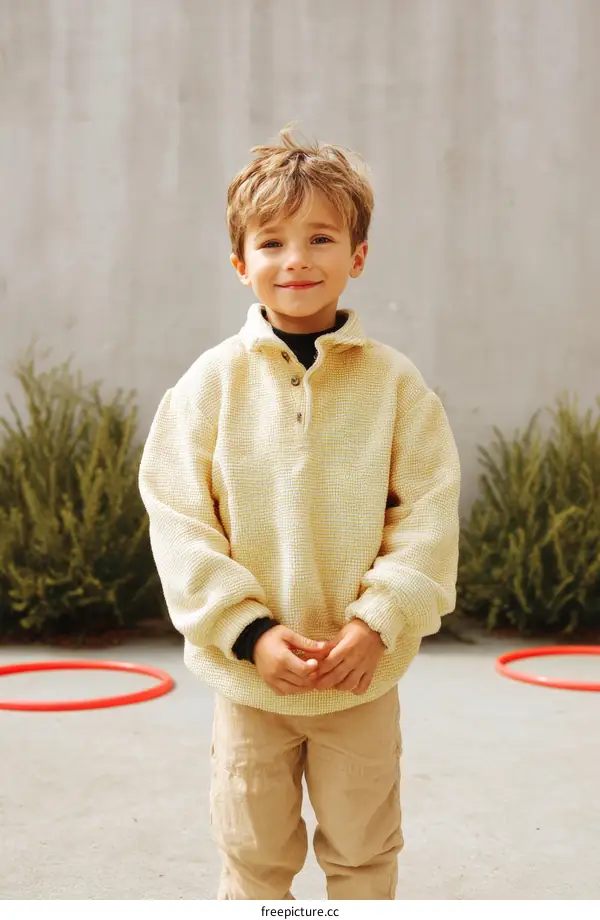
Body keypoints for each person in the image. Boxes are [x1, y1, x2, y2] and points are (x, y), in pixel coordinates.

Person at [138, 126, 461, 901]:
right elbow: (179, 518)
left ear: (358, 256)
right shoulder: (209, 385)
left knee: (364, 856)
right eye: (273, 241)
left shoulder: (396, 386)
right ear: (240, 262)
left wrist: (376, 622)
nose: (297, 260)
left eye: (321, 237)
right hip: (253, 684)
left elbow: (429, 512)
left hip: (361, 677)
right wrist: (246, 632)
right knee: (254, 863)